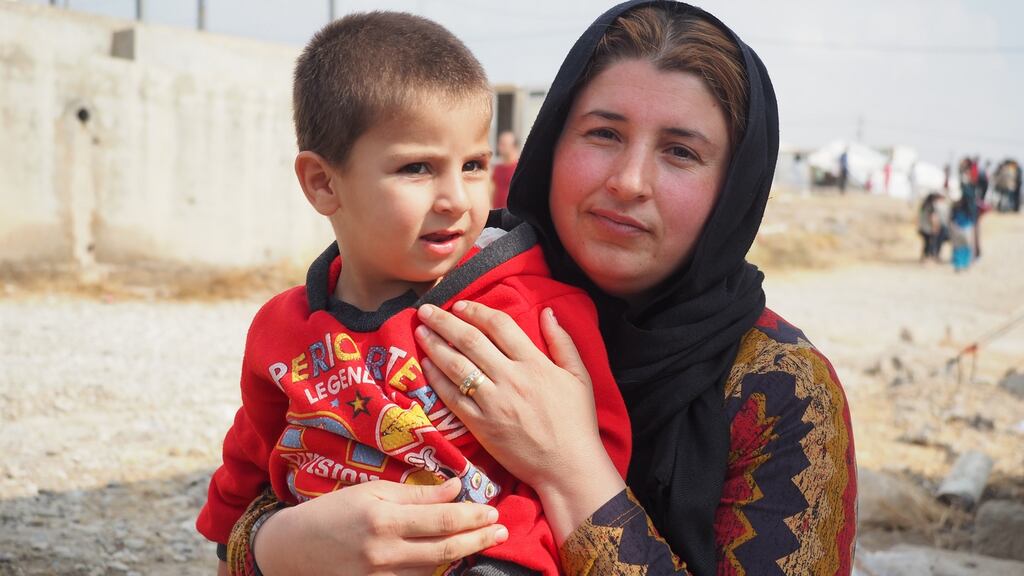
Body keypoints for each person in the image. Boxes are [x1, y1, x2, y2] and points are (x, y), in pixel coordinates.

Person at [226, 2, 857, 575]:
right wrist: (276, 548)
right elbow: (274, 478)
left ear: (735, 188)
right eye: (603, 133)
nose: (629, 181)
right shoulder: (441, 301)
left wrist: (571, 466)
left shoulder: (783, 393)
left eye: (681, 153)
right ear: (552, 141)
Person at [195, 11, 631, 576]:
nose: (456, 197)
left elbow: (594, 463)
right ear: (324, 183)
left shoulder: (528, 310)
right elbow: (253, 445)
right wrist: (234, 538)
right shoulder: (283, 327)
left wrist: (512, 558)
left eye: (474, 165)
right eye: (418, 167)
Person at [490, 130, 520, 209]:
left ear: (514, 146)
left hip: (514, 215)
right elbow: (492, 191)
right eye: (499, 143)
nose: (500, 147)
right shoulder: (497, 168)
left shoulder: (521, 168)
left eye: (503, 144)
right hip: (497, 214)